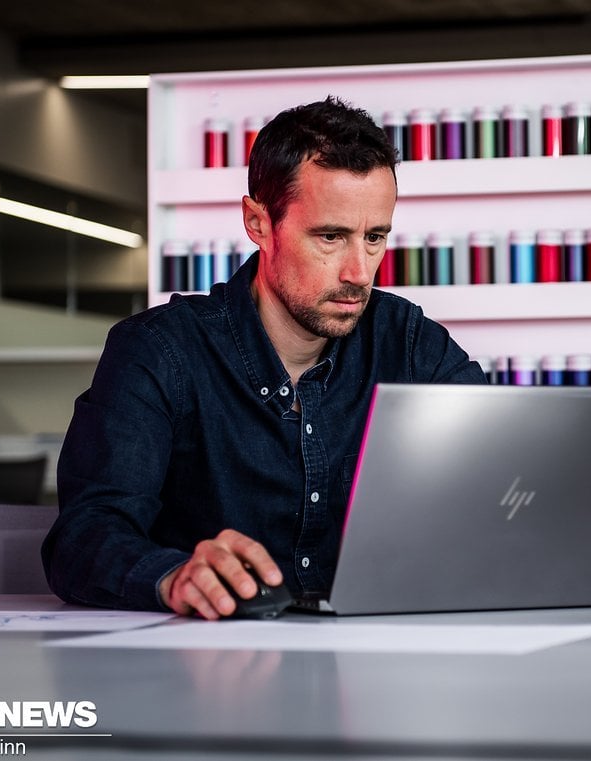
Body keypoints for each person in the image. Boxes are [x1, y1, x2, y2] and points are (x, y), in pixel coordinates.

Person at [42, 96, 485, 619]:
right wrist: (171, 576)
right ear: (258, 222)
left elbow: (509, 476)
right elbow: (84, 535)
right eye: (330, 237)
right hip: (204, 673)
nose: (359, 272)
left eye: (374, 238)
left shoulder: (409, 344)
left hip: (375, 670)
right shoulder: (161, 352)